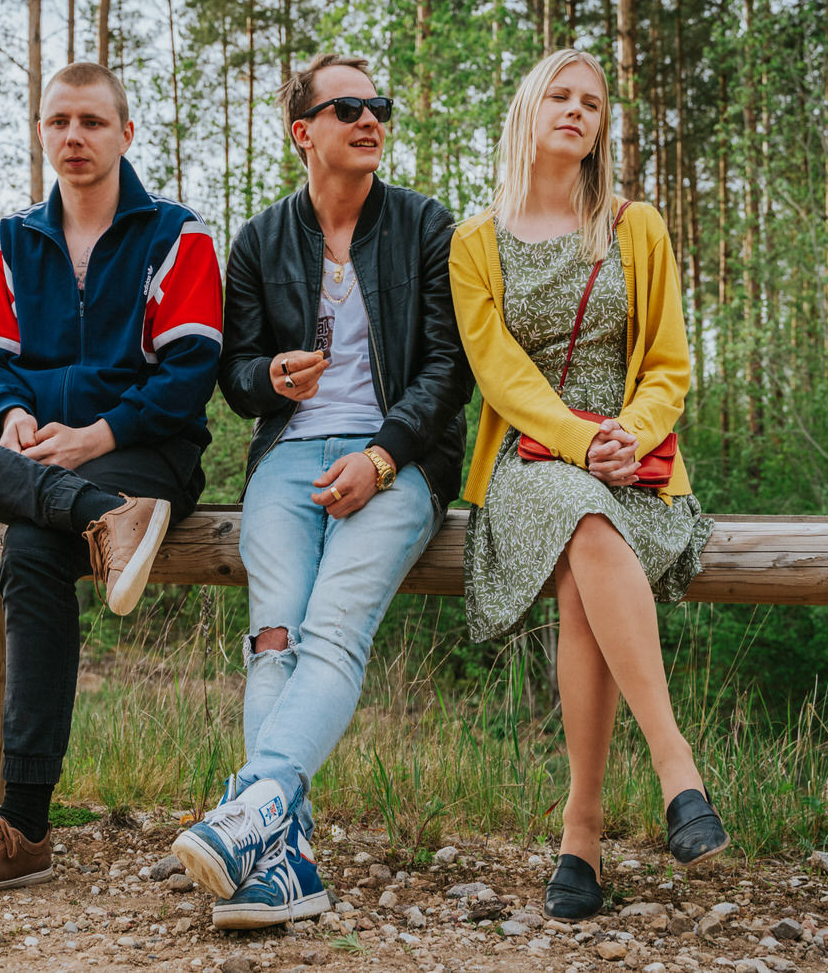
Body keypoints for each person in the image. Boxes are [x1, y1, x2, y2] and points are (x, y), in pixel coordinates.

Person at [0, 62, 223, 898]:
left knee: (30, 544)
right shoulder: (13, 238)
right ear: (40, 132)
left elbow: (190, 372)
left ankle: (22, 828)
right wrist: (11, 416)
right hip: (41, 456)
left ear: (126, 133)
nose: (74, 136)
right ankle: (96, 514)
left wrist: (99, 433)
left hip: (144, 450)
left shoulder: (177, 234)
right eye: (58, 121)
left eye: (92, 121)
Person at [171, 54, 473, 930]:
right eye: (348, 108)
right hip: (290, 456)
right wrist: (269, 374)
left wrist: (381, 457)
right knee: (274, 636)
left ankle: (250, 807)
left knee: (334, 623)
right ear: (303, 131)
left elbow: (449, 368)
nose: (370, 118)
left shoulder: (425, 225)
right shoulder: (261, 239)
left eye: (378, 105)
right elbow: (234, 375)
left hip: (401, 457)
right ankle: (285, 858)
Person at [448, 49, 725, 920]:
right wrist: (580, 440)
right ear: (528, 110)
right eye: (560, 96)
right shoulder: (474, 242)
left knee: (583, 575)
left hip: (633, 458)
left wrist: (628, 434)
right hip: (532, 458)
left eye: (593, 103)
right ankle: (677, 767)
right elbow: (500, 375)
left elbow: (670, 363)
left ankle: (583, 831)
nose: (576, 111)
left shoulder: (636, 226)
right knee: (581, 519)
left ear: (602, 127)